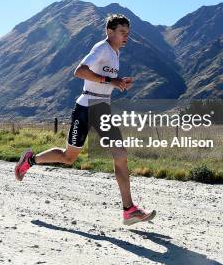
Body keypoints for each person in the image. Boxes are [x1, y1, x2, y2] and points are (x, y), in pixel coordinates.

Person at [14, 13, 156, 225]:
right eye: (122, 32)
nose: (126, 37)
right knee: (68, 157)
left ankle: (129, 210)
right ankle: (30, 160)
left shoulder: (115, 53)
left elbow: (102, 80)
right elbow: (79, 72)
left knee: (120, 154)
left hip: (102, 108)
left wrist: (117, 83)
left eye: (128, 33)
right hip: (86, 107)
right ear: (110, 32)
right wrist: (111, 80)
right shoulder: (102, 48)